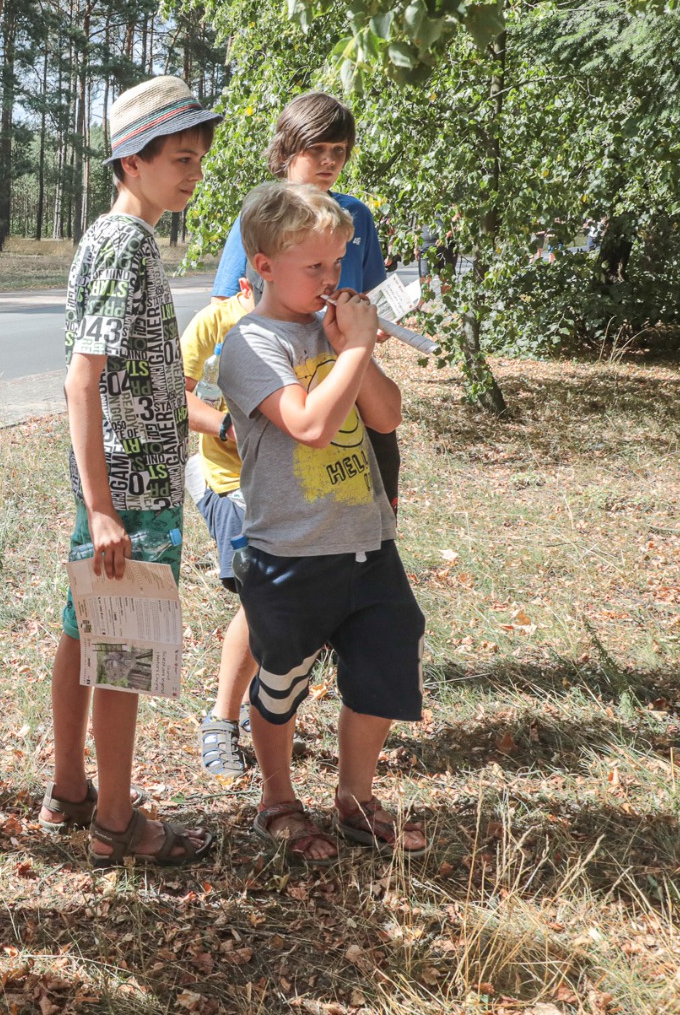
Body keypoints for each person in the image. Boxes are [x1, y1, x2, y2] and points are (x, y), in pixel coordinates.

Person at [216, 182, 429, 866]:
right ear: (264, 265)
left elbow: (386, 417)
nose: (331, 281)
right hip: (291, 553)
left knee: (386, 662)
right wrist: (355, 351)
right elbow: (308, 426)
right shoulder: (249, 345)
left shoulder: (331, 331)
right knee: (281, 679)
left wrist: (353, 348)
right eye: (315, 268)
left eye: (337, 267)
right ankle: (277, 798)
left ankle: (354, 794)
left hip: (366, 542)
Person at [39, 75, 219, 868]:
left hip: (114, 483)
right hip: (132, 493)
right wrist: (108, 508)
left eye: (199, 158)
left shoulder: (110, 237)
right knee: (123, 650)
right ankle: (116, 821)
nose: (193, 173)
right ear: (130, 162)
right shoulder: (126, 243)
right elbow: (85, 377)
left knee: (85, 632)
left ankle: (70, 790)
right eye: (179, 157)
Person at [210, 92, 401, 513]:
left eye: (339, 151)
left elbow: (370, 301)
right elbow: (226, 309)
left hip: (353, 382)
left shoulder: (355, 216)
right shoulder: (262, 216)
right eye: (316, 149)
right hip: (290, 389)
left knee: (371, 509)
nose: (329, 161)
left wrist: (371, 326)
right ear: (286, 149)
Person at [180, 277, 257, 779]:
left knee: (297, 605)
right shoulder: (217, 322)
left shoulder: (321, 321)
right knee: (261, 601)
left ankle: (262, 704)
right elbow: (174, 394)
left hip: (303, 487)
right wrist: (226, 427)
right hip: (233, 485)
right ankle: (221, 720)